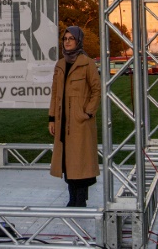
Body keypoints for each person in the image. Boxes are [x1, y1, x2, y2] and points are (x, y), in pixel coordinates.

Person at [48, 26, 101, 207]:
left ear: (78, 41)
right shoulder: (60, 64)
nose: (68, 41)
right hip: (63, 121)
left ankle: (80, 199)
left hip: (79, 123)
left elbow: (96, 90)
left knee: (80, 162)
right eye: (65, 38)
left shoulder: (87, 63)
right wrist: (52, 118)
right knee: (66, 161)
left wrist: (87, 112)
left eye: (71, 38)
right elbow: (55, 93)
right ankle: (72, 197)